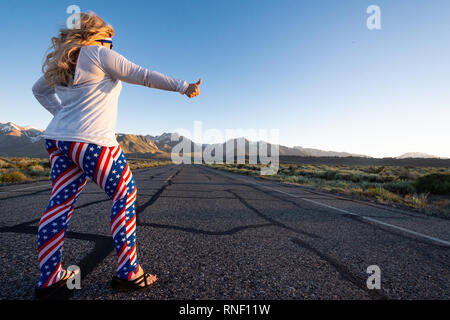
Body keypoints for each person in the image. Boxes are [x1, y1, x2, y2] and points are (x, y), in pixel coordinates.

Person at [31, 12, 201, 299]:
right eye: (109, 40)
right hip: (93, 141)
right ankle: (129, 272)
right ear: (96, 37)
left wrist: (63, 115)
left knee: (59, 205)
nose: (111, 46)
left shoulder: (63, 62)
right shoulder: (97, 54)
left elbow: (38, 91)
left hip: (58, 141)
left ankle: (49, 278)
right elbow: (144, 76)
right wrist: (185, 87)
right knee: (125, 195)